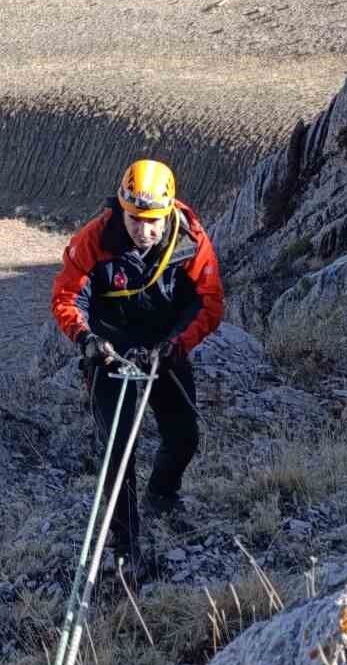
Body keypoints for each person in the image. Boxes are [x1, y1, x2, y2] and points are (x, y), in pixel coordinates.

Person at [51, 158, 225, 585]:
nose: (143, 230)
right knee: (118, 453)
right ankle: (126, 547)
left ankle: (162, 495)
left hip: (165, 349)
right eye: (134, 219)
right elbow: (69, 297)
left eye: (152, 220)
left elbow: (208, 301)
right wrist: (88, 341)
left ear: (167, 212)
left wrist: (176, 345)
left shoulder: (189, 241)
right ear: (121, 209)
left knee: (184, 437)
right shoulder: (95, 240)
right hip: (111, 355)